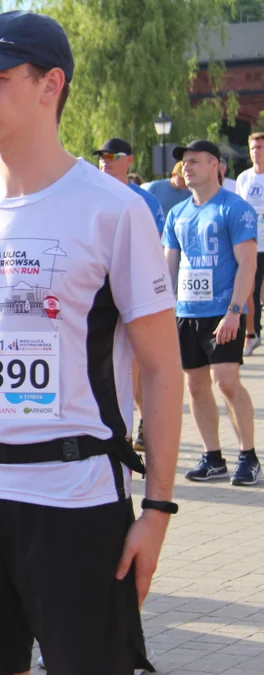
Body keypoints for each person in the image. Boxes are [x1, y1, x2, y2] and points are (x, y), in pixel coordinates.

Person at [0, 11, 182, 675]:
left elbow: (161, 368)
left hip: (74, 499)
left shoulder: (114, 210)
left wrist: (157, 508)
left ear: (50, 85)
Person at [163, 139, 259, 486]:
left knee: (226, 381)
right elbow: (168, 268)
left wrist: (235, 312)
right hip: (187, 311)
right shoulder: (177, 214)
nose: (186, 167)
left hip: (223, 310)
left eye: (195, 162)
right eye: (184, 163)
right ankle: (212, 457)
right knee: (196, 386)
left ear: (216, 166)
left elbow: (248, 265)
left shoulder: (234, 208)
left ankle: (248, 456)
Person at [94, 137, 166, 452]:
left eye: (112, 156)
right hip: (97, 295)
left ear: (129, 161)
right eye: (101, 156)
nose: (105, 160)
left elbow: (159, 251)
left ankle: (144, 422)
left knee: (138, 364)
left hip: (136, 293)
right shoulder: (87, 196)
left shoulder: (145, 202)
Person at [237, 133, 264, 356]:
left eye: (261, 147)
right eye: (253, 148)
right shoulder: (244, 178)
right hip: (252, 243)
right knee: (250, 290)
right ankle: (252, 334)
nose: (257, 152)